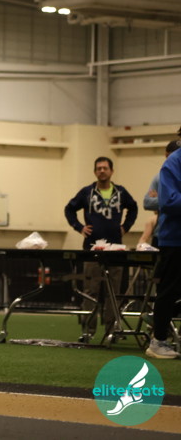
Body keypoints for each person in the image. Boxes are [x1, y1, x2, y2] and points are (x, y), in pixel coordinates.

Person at [64, 156, 138, 333]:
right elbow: (69, 209)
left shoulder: (121, 192)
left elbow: (134, 207)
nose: (102, 171)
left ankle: (111, 330)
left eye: (105, 168)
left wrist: (126, 227)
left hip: (116, 249)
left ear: (112, 171)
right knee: (90, 290)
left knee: (113, 292)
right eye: (99, 168)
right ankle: (88, 330)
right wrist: (79, 227)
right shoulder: (87, 192)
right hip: (92, 249)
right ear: (94, 172)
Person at [147, 130, 181, 359]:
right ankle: (158, 340)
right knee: (169, 291)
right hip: (175, 239)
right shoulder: (173, 163)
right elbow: (168, 201)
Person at [139, 140, 181, 247]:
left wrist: (163, 197)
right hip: (165, 234)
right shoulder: (159, 177)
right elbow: (147, 202)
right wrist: (165, 198)